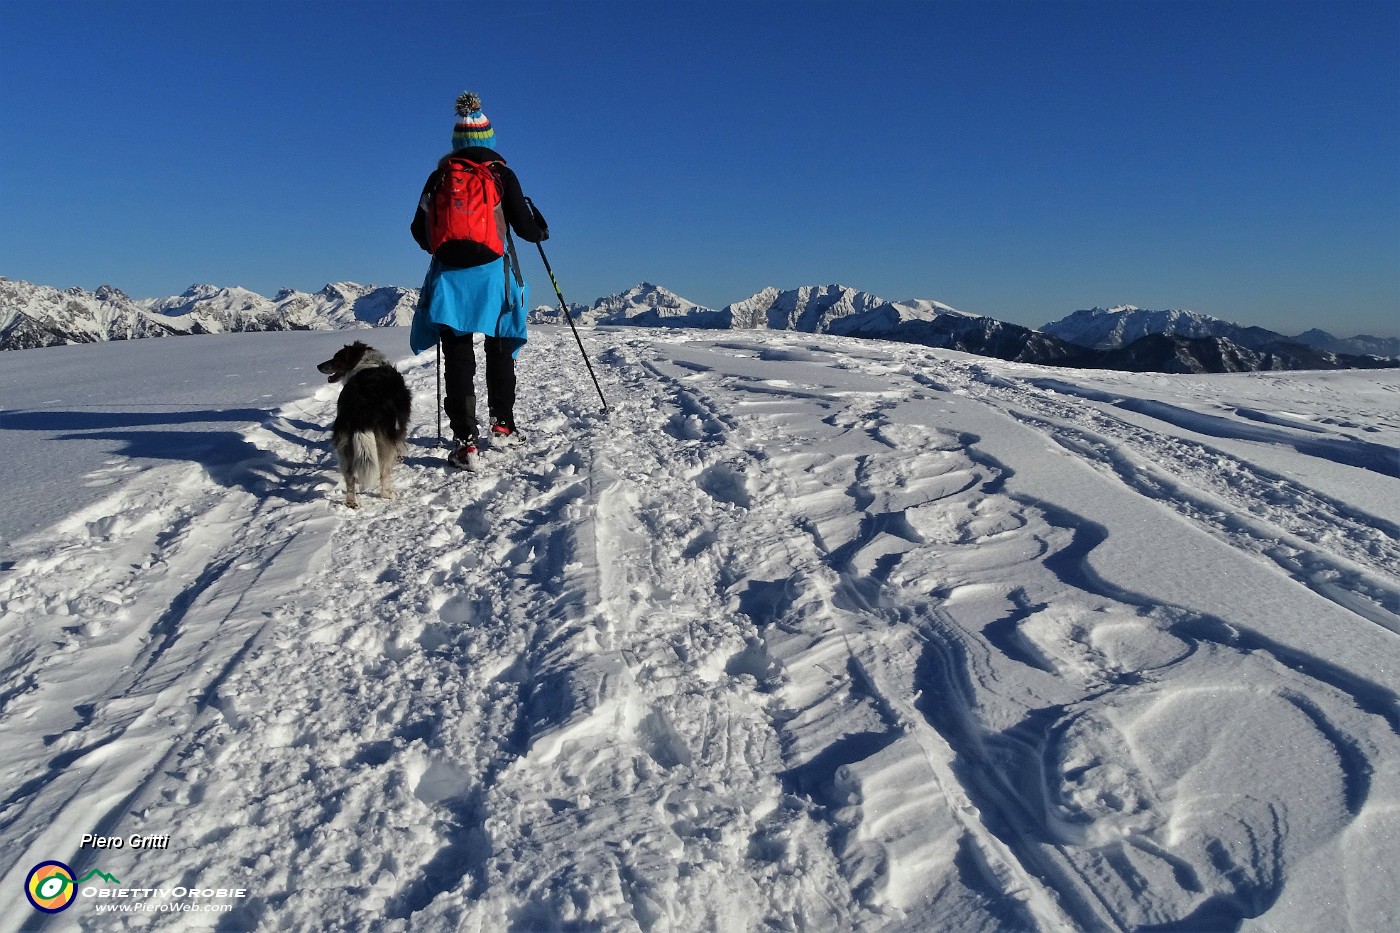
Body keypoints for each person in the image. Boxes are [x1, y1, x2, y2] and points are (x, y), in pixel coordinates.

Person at [409, 91, 548, 470]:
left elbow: (418, 231)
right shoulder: (501, 174)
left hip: (451, 278)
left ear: (456, 143)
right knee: (499, 350)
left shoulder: (439, 176)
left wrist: (444, 247)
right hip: (494, 277)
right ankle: (502, 426)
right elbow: (527, 230)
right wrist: (540, 226)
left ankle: (465, 442)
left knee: (458, 357)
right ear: (489, 140)